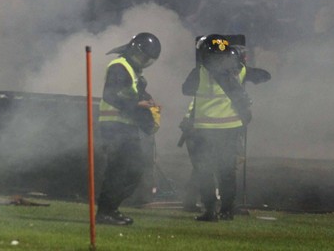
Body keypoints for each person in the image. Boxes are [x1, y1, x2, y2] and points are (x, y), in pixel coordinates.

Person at [182, 34, 269, 222]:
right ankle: (227, 211)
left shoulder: (199, 72)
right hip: (230, 128)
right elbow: (263, 76)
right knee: (226, 172)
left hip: (204, 129)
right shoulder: (237, 71)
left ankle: (210, 211)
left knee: (205, 171)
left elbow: (186, 89)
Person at [96, 32, 161, 226]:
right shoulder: (119, 66)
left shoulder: (132, 70)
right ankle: (106, 211)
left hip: (124, 126)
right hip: (114, 126)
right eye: (143, 57)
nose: (144, 61)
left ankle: (109, 210)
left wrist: (148, 103)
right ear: (135, 50)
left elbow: (133, 94)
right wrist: (137, 105)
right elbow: (110, 95)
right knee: (120, 170)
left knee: (131, 170)